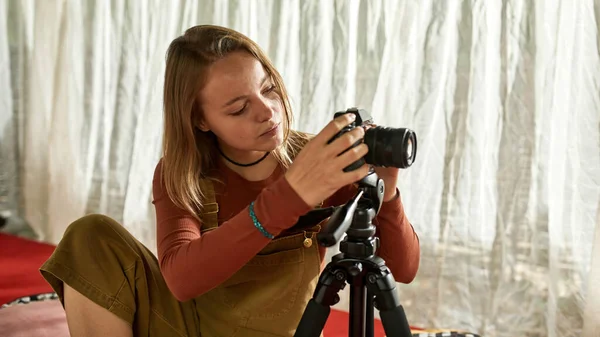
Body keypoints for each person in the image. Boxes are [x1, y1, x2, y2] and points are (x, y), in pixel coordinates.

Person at [39, 25, 420, 337]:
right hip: (186, 326)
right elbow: (180, 279)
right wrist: (290, 196)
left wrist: (389, 193)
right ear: (201, 121)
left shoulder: (315, 159)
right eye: (238, 108)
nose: (267, 111)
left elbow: (403, 269)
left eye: (268, 88)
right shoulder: (182, 171)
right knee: (90, 235)